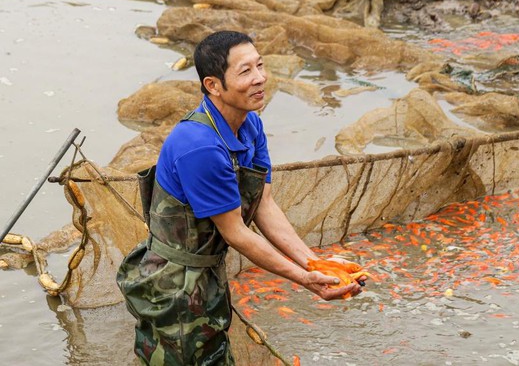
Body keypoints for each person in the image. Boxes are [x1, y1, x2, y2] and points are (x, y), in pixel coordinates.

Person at [117, 30, 363, 365]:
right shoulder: (200, 146)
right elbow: (236, 232)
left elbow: (264, 204)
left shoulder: (250, 126)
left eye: (260, 66)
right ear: (213, 85)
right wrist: (304, 280)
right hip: (174, 283)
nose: (260, 78)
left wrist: (313, 262)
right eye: (245, 71)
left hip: (206, 273)